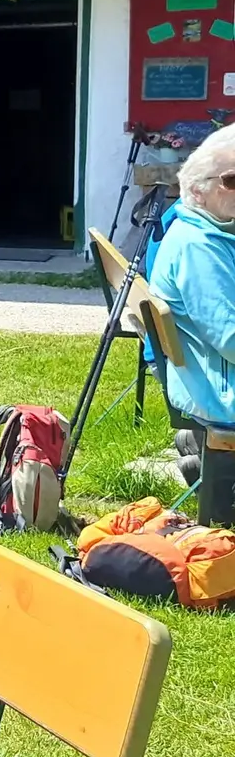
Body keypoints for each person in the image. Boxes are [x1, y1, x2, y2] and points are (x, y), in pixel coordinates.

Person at [148, 124, 235, 524]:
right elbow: (230, 339)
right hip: (219, 393)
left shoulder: (202, 228)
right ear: (198, 190)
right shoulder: (200, 248)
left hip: (201, 379)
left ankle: (200, 456)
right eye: (231, 181)